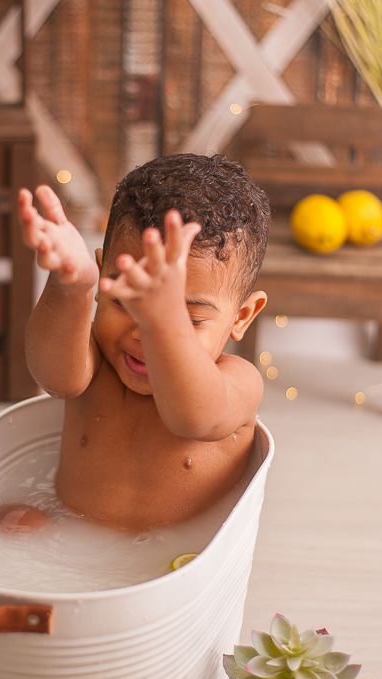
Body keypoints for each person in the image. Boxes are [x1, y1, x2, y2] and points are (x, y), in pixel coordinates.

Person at [16, 153, 271, 531]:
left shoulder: (237, 380)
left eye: (188, 318)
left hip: (174, 565)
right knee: (10, 524)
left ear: (242, 317)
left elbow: (193, 418)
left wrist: (164, 322)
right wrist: (70, 290)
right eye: (126, 300)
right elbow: (53, 376)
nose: (143, 335)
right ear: (103, 273)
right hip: (71, 537)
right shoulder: (96, 360)